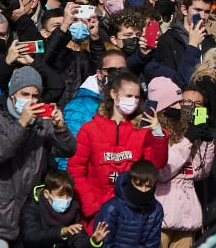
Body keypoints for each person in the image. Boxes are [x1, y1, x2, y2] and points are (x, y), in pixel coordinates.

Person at [0, 65, 77, 248]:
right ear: (14, 95)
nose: (31, 100)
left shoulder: (42, 122)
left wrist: (60, 127)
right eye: (25, 94)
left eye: (35, 95)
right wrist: (22, 123)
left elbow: (68, 150)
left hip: (31, 215)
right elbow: (0, 153)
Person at [68, 72, 170, 218]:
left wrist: (157, 132)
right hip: (97, 213)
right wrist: (93, 208)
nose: (133, 101)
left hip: (131, 212)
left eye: (136, 97)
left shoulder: (141, 132)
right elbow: (75, 171)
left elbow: (156, 164)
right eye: (128, 96)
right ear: (114, 94)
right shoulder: (89, 129)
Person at [154, 95, 214, 248]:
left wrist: (206, 142)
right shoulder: (156, 132)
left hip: (187, 217)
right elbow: (163, 172)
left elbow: (199, 171)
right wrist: (187, 140)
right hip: (162, 219)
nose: (181, 106)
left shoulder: (185, 133)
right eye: (176, 102)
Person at [17, 169, 107, 248]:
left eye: (68, 195)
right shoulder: (33, 206)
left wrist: (93, 241)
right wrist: (61, 232)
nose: (65, 200)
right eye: (60, 195)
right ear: (47, 194)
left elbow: (78, 241)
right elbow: (31, 236)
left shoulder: (73, 208)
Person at [94, 160, 163, 248]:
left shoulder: (156, 209)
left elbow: (152, 247)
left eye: (148, 186)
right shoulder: (111, 208)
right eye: (138, 185)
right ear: (130, 182)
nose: (143, 190)